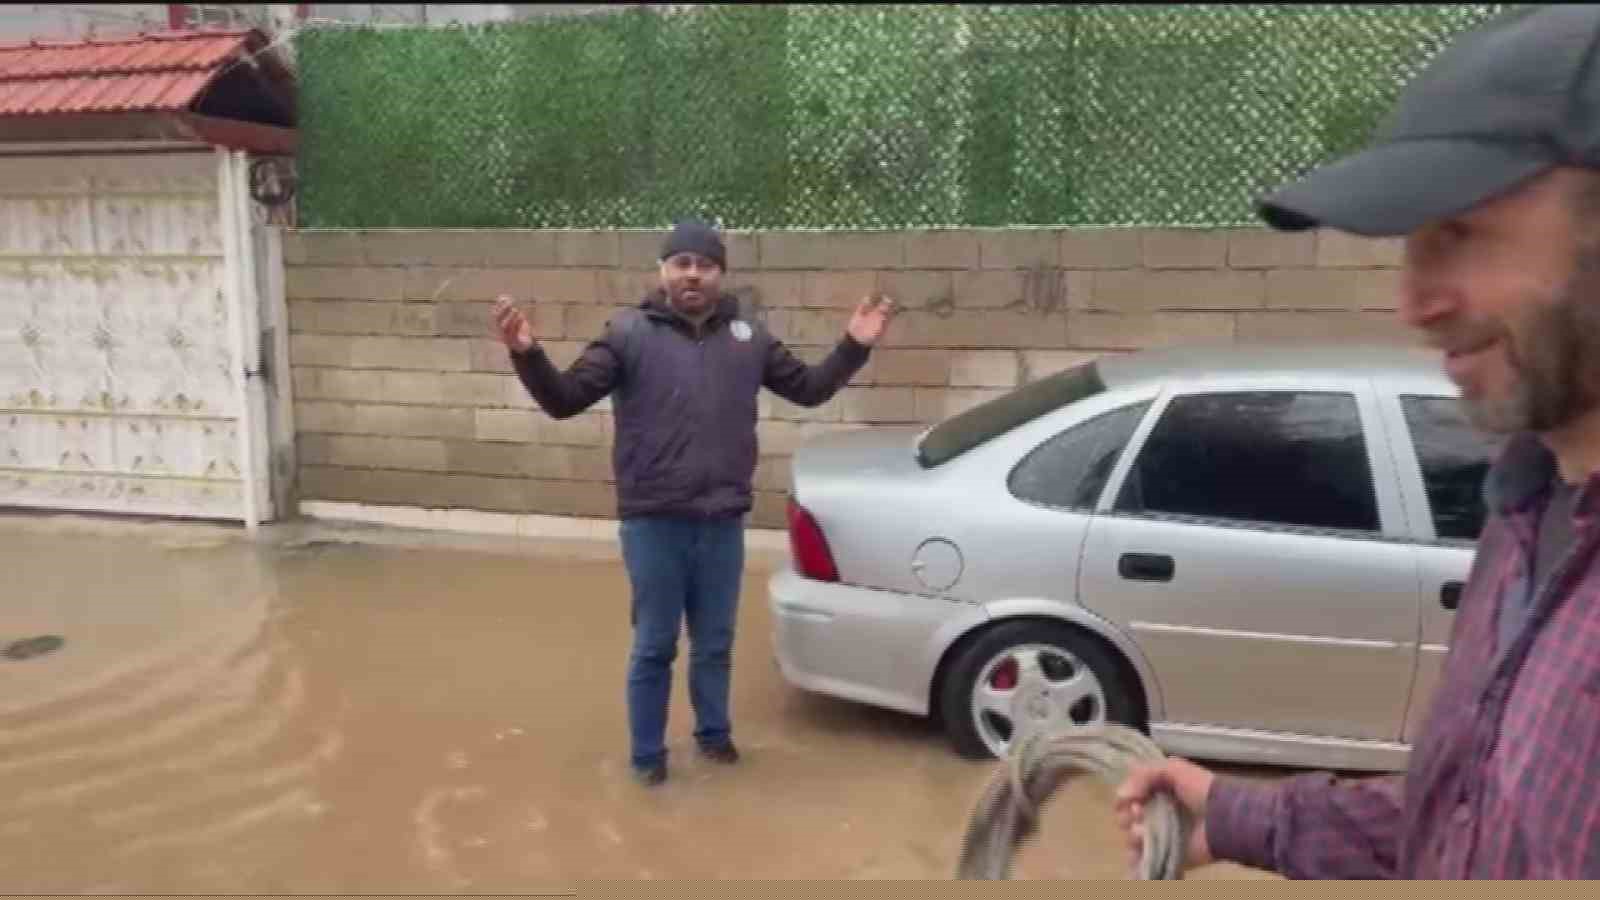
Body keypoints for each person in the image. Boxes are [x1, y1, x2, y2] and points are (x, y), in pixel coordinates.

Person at [1113, 4, 1600, 879]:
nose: (1414, 304)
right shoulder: (1525, 511)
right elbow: (1470, 816)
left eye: (1461, 233)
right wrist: (1232, 817)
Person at [491, 220, 897, 787]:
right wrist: (527, 354)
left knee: (715, 645)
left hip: (722, 521)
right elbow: (564, 399)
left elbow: (809, 389)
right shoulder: (628, 333)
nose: (692, 274)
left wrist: (854, 344)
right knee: (655, 645)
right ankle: (647, 759)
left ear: (720, 273)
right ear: (662, 271)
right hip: (653, 520)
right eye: (680, 262)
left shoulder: (748, 338)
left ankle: (713, 739)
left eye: (703, 265)